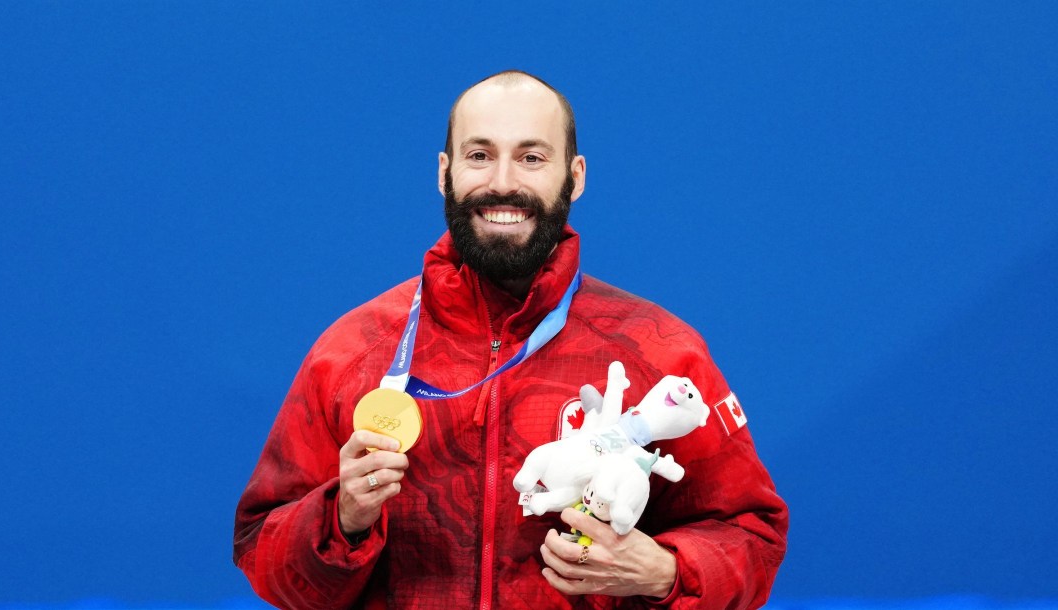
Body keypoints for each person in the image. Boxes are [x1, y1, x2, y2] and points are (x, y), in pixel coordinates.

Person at [233, 70, 788, 609]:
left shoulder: (660, 350)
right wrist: (342, 518)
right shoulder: (354, 350)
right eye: (479, 156)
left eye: (531, 157)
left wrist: (666, 573)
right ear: (444, 173)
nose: (502, 182)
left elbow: (752, 536)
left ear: (575, 176)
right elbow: (260, 546)